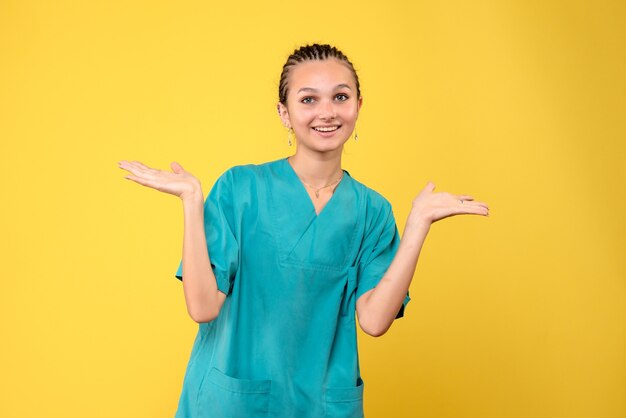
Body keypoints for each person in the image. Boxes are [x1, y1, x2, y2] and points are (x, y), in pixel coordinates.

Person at [118, 43, 489, 418]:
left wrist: (417, 226)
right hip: (232, 403)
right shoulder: (240, 189)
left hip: (321, 405)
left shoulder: (371, 212)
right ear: (284, 112)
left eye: (340, 97)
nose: (326, 112)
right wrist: (192, 201)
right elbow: (202, 307)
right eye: (308, 99)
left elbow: (375, 321)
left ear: (359, 105)